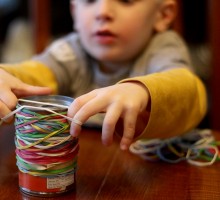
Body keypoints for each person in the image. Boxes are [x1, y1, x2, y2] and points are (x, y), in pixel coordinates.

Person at [0, 0, 207, 151]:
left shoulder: (163, 47)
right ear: (74, 12)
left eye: (125, 1)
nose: (103, 12)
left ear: (163, 15)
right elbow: (33, 75)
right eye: (90, 1)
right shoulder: (71, 51)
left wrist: (141, 90)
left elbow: (190, 91)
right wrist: (5, 73)